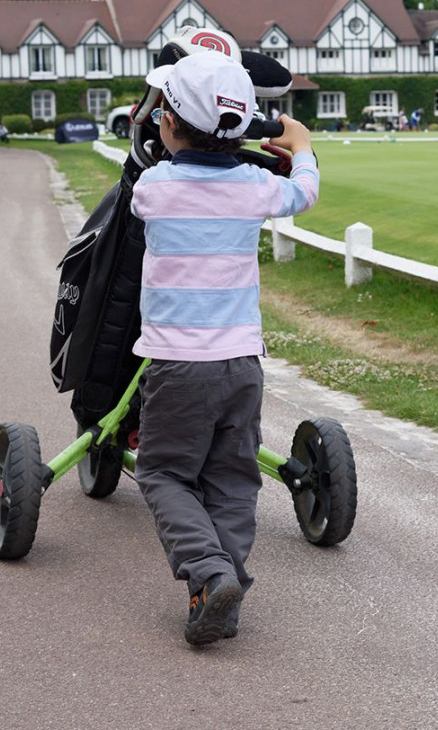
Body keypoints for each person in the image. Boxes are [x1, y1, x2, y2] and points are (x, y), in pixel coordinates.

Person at [130, 49, 320, 647]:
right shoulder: (258, 187)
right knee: (234, 482)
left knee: (162, 473)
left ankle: (210, 574)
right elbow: (304, 193)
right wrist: (304, 146)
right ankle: (220, 597)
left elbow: (147, 161)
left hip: (178, 365)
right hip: (242, 362)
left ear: (168, 121)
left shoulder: (154, 188)